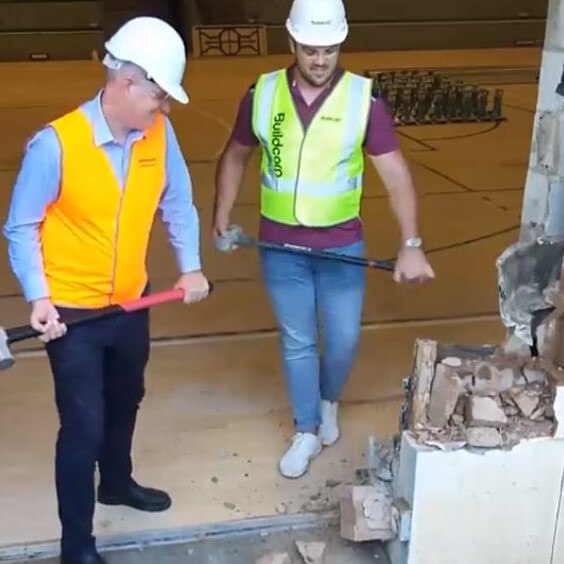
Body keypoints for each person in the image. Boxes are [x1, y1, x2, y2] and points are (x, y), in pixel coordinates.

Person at [3, 16, 210, 564]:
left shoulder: (159, 134)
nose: (163, 108)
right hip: (70, 312)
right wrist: (38, 296)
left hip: (130, 303)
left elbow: (179, 202)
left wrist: (189, 267)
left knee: (126, 397)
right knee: (83, 424)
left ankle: (116, 482)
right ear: (126, 83)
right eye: (159, 96)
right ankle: (78, 546)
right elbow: (20, 225)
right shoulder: (57, 144)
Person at [212, 0, 434, 480]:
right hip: (280, 248)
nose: (319, 59)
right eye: (311, 49)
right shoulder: (262, 92)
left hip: (341, 248)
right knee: (296, 339)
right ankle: (307, 427)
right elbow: (235, 155)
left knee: (343, 339)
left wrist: (411, 243)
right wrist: (221, 214)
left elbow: (395, 172)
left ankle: (328, 399)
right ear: (291, 43)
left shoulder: (364, 99)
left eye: (329, 49)